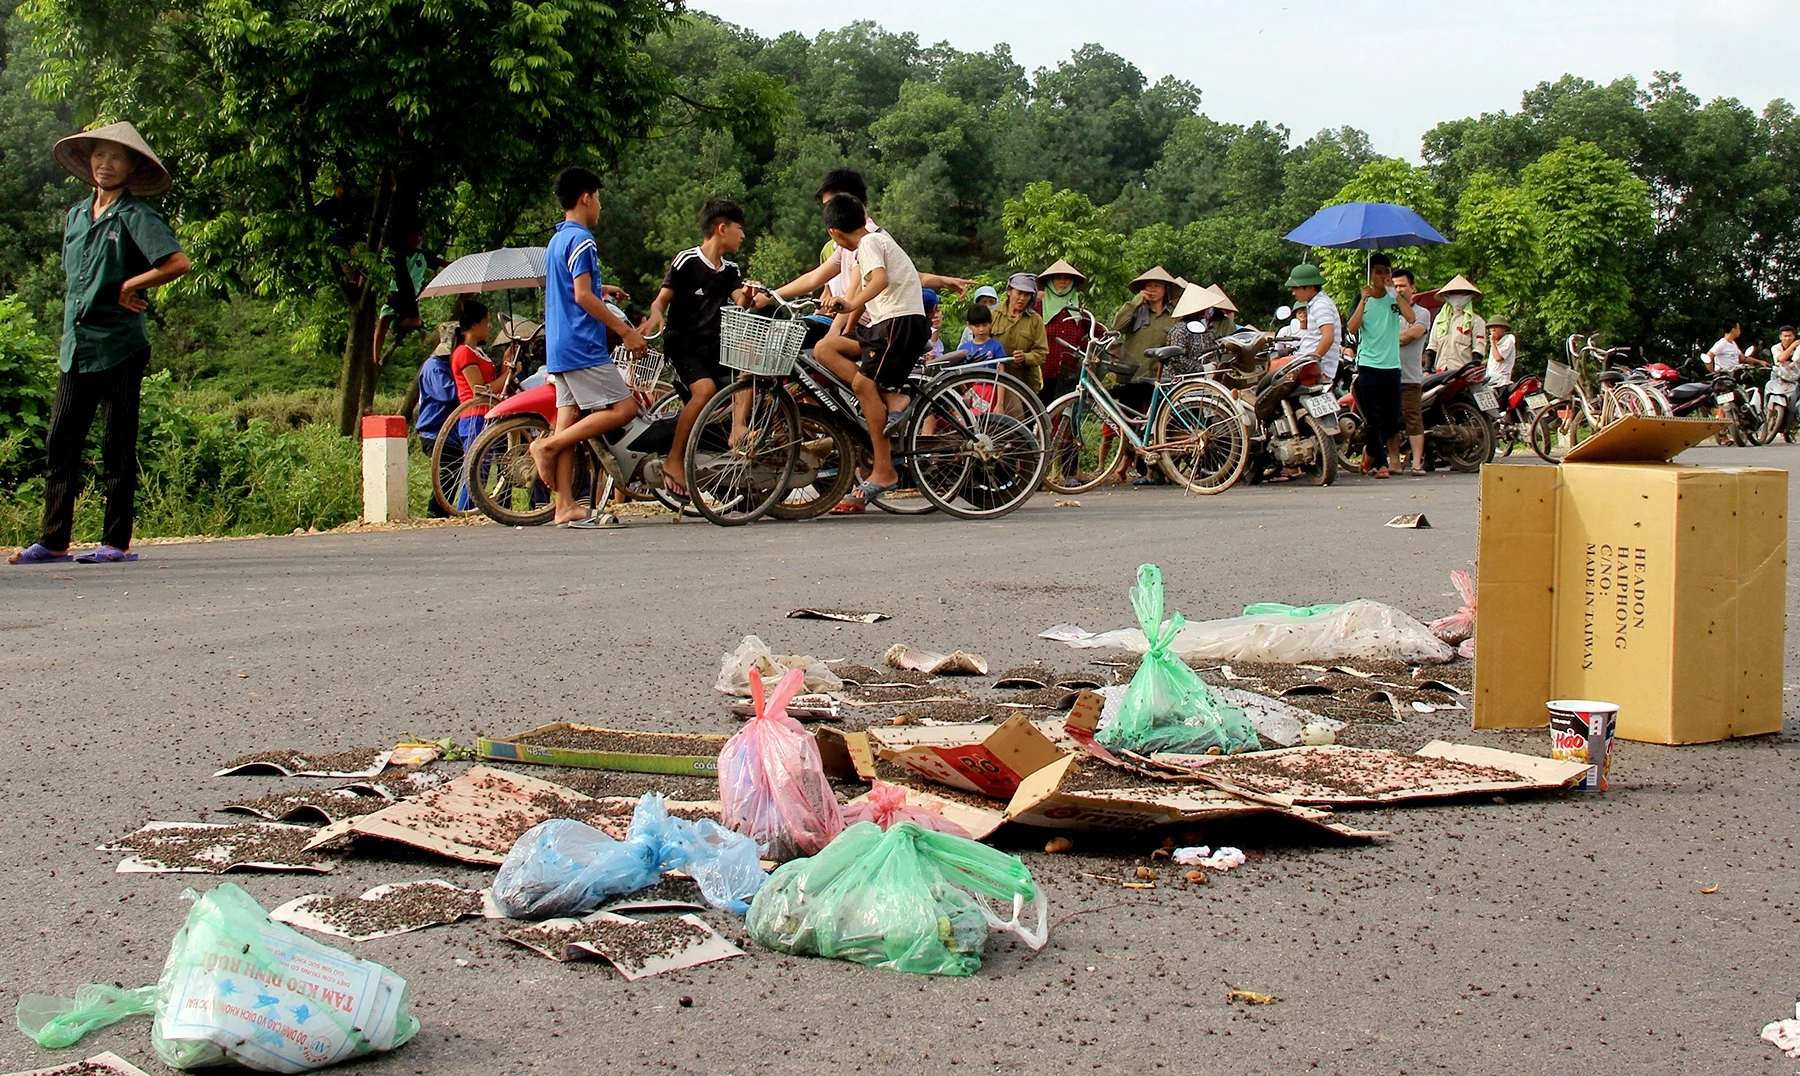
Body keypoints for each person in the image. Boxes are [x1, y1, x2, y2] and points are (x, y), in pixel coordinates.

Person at [12, 122, 192, 565]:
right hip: (77, 344)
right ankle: (54, 541)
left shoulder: (137, 216)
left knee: (117, 445)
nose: (104, 165)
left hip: (120, 345)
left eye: (116, 158)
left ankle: (116, 543)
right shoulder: (76, 215)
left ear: (131, 168)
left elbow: (177, 262)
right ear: (88, 161)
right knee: (61, 443)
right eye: (98, 156)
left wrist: (133, 282)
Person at [774, 194, 929, 513]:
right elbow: (860, 294)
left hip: (898, 323)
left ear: (833, 232)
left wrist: (851, 303)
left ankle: (884, 469)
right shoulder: (871, 243)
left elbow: (879, 281)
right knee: (826, 348)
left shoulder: (869, 243)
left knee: (863, 385)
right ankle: (883, 401)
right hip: (885, 326)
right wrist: (845, 323)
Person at [527, 167, 646, 528]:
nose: (600, 206)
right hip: (582, 345)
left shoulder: (558, 240)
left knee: (570, 421)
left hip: (559, 346)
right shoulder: (583, 240)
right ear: (585, 197)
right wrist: (625, 331)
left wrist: (602, 288)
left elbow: (573, 287)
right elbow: (580, 296)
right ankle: (545, 447)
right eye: (598, 197)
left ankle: (565, 506)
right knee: (625, 408)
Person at [638, 197, 758, 498]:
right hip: (684, 347)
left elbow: (739, 301)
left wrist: (748, 295)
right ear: (721, 228)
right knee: (703, 391)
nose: (742, 236)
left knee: (752, 360)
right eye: (739, 228)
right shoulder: (686, 261)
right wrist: (655, 314)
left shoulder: (730, 268)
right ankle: (675, 459)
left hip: (716, 346)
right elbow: (662, 299)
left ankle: (737, 430)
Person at [809, 168, 970, 329]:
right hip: (885, 321)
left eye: (831, 206)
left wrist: (844, 321)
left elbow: (870, 285)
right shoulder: (853, 243)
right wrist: (942, 280)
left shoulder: (868, 241)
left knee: (826, 348)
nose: (827, 213)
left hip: (888, 322)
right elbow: (904, 273)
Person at [1345, 253, 1415, 479]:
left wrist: (1396, 296)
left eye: (1386, 271)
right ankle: (1382, 464)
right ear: (1370, 274)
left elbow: (1411, 318)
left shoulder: (1394, 299)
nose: (1383, 276)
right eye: (1378, 272)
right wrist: (1364, 300)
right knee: (1374, 416)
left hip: (1392, 365)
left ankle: (1371, 453)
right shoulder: (1361, 299)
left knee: (1393, 417)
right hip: (1368, 364)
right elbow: (1353, 328)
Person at [1109, 266, 1183, 410]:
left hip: (1158, 379)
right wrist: (1135, 302)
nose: (1152, 290)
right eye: (1149, 286)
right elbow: (1117, 326)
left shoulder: (1174, 317)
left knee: (1158, 423)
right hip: (1133, 378)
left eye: (1157, 286)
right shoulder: (1135, 313)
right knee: (1130, 425)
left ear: (1165, 290)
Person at [372, 216, 430, 368]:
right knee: (385, 320)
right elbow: (380, 330)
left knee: (414, 321)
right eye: (414, 235)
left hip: (411, 298)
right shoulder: (396, 254)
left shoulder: (422, 256)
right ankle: (375, 358)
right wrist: (376, 358)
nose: (417, 239)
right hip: (396, 293)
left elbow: (444, 264)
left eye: (420, 235)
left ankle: (399, 324)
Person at [1389, 269, 1430, 476]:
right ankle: (1394, 462)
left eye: (1402, 286)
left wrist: (1386, 338)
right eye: (1394, 286)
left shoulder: (1422, 313)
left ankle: (1416, 463)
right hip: (1388, 373)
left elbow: (1411, 335)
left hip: (1411, 376)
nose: (1398, 290)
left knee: (1413, 418)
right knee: (1391, 420)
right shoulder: (1388, 311)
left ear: (1413, 288)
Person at [992, 273, 1049, 399]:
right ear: (1009, 292)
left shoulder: (1035, 320)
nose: (1022, 298)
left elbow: (1041, 353)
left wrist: (1026, 357)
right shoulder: (993, 315)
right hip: (996, 380)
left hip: (1025, 383)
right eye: (1019, 293)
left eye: (1027, 294)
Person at [1038, 259, 1088, 400]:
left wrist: (1081, 348)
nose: (1062, 282)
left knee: (1063, 417)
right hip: (1042, 372)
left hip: (1069, 374)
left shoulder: (1080, 313)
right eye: (1057, 278)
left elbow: (1099, 333)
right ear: (1050, 282)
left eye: (1067, 278)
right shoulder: (1037, 309)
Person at [1284, 263, 1341, 383]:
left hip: (1316, 367)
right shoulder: (1318, 303)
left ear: (1310, 286)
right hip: (1315, 364)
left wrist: (1311, 362)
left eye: (1296, 288)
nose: (1293, 292)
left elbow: (1328, 337)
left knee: (1267, 371)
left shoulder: (1321, 305)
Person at [1426, 275, 1488, 372]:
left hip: (1463, 372)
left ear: (1469, 296)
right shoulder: (1441, 319)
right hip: (1441, 371)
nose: (1457, 296)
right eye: (1454, 293)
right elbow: (1432, 346)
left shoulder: (1476, 321)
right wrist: (1427, 370)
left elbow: (1479, 349)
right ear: (1448, 295)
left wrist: (1472, 370)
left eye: (1461, 293)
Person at [1485, 313, 1518, 386]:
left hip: (1501, 381)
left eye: (1496, 327)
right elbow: (1494, 358)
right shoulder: (1496, 343)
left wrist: (1492, 342)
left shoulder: (1508, 341)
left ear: (1504, 328)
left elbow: (1498, 358)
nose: (1493, 330)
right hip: (1491, 379)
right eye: (1491, 327)